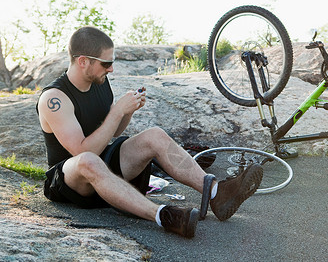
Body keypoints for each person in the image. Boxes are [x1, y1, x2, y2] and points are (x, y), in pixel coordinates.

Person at [36, 26, 263, 238]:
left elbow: (110, 134)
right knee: (87, 160)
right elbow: (83, 151)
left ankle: (216, 192)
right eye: (106, 63)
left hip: (103, 169)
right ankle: (164, 215)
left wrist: (127, 113)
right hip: (69, 181)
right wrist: (116, 112)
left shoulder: (100, 83)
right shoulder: (55, 98)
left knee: (154, 134)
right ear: (83, 61)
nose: (111, 69)